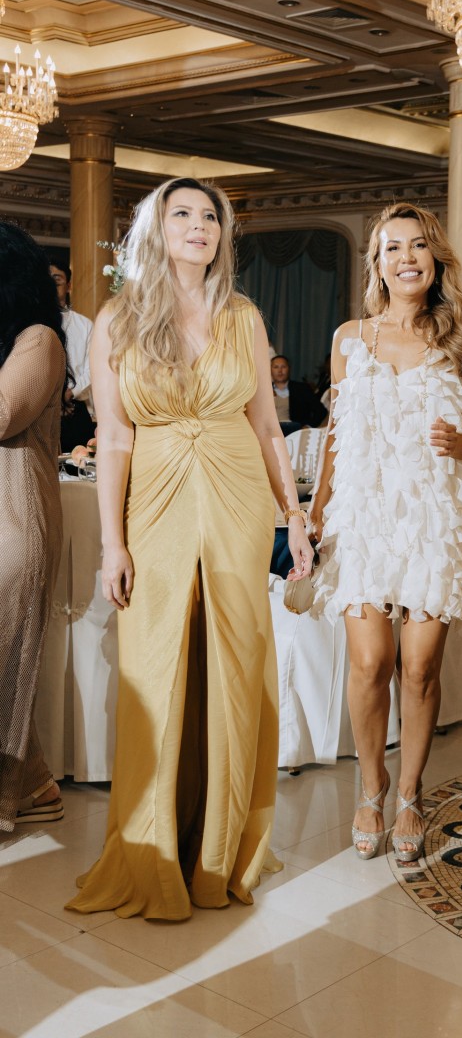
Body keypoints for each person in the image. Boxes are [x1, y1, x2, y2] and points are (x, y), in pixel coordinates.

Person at [66, 176, 314, 921]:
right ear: (157, 228)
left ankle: (223, 848)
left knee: (235, 666)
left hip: (239, 499)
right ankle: (153, 846)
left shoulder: (244, 315)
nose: (200, 225)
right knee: (156, 666)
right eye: (183, 214)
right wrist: (113, 543)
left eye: (211, 216)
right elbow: (114, 436)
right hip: (157, 500)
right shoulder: (118, 318)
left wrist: (294, 516)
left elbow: (267, 425)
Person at [309, 201, 462, 862]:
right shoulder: (350, 338)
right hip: (364, 517)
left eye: (418, 246)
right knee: (369, 663)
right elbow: (336, 434)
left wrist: (458, 441)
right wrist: (314, 514)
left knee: (419, 667)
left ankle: (409, 793)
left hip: (433, 520)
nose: (406, 257)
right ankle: (372, 785)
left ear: (435, 258)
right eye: (393, 247)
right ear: (377, 264)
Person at [0, 223, 68, 830]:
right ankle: (37, 786)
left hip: (16, 522)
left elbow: (3, 415)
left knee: (5, 661)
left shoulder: (39, 340)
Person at [49, 257, 95, 450]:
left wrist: (68, 393)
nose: (51, 285)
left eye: (57, 280)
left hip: (75, 408)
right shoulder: (31, 322)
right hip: (41, 408)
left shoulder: (84, 325)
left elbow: (93, 369)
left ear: (68, 286)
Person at [271, 354, 328, 431]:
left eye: (283, 367)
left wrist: (308, 426)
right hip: (270, 431)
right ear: (270, 370)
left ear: (289, 369)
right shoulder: (264, 391)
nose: (280, 371)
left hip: (294, 430)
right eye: (276, 367)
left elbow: (321, 411)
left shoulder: (301, 389)